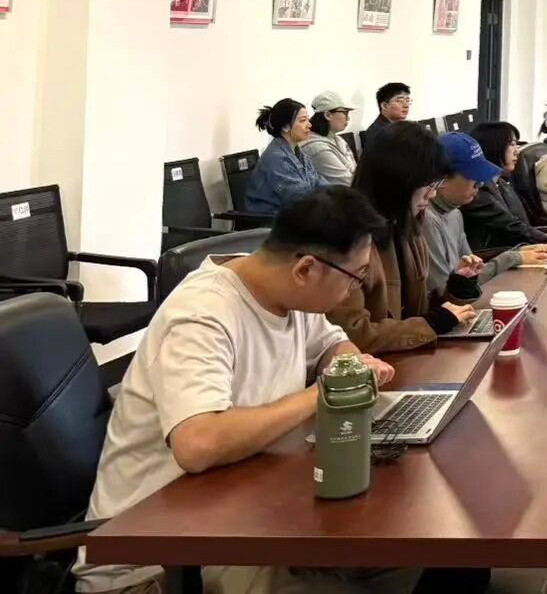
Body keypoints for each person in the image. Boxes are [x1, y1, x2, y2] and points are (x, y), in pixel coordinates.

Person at [76, 188, 396, 594]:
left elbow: (332, 343)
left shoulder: (288, 293)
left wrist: (351, 364)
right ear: (306, 269)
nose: (354, 291)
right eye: (355, 277)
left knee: (397, 561)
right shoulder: (203, 315)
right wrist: (322, 393)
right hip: (155, 560)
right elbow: (198, 443)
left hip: (239, 519)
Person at [330, 122, 479, 353]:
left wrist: (456, 288)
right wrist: (431, 324)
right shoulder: (345, 238)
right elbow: (351, 334)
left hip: (407, 357)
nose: (432, 194)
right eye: (428, 185)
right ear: (399, 182)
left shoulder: (407, 225)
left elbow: (419, 310)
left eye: (436, 184)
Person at [420, 133, 547, 288]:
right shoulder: (427, 221)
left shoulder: (455, 213)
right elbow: (444, 290)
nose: (480, 184)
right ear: (442, 179)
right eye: (473, 176)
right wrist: (512, 258)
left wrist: (519, 251)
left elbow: (472, 271)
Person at [462, 120, 547, 250]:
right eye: (512, 144)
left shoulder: (501, 182)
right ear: (493, 147)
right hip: (496, 255)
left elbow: (525, 222)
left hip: (519, 249)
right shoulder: (477, 188)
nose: (517, 151)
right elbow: (510, 225)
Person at [245, 99, 321, 216]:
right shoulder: (276, 158)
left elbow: (318, 183)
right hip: (272, 222)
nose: (309, 125)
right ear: (285, 126)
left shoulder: (298, 153)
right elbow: (301, 197)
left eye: (308, 119)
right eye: (303, 120)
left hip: (295, 216)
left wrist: (341, 196)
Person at [300, 91, 359, 187]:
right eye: (345, 113)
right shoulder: (316, 148)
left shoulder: (338, 139)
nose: (348, 118)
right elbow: (347, 183)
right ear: (327, 115)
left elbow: (356, 172)